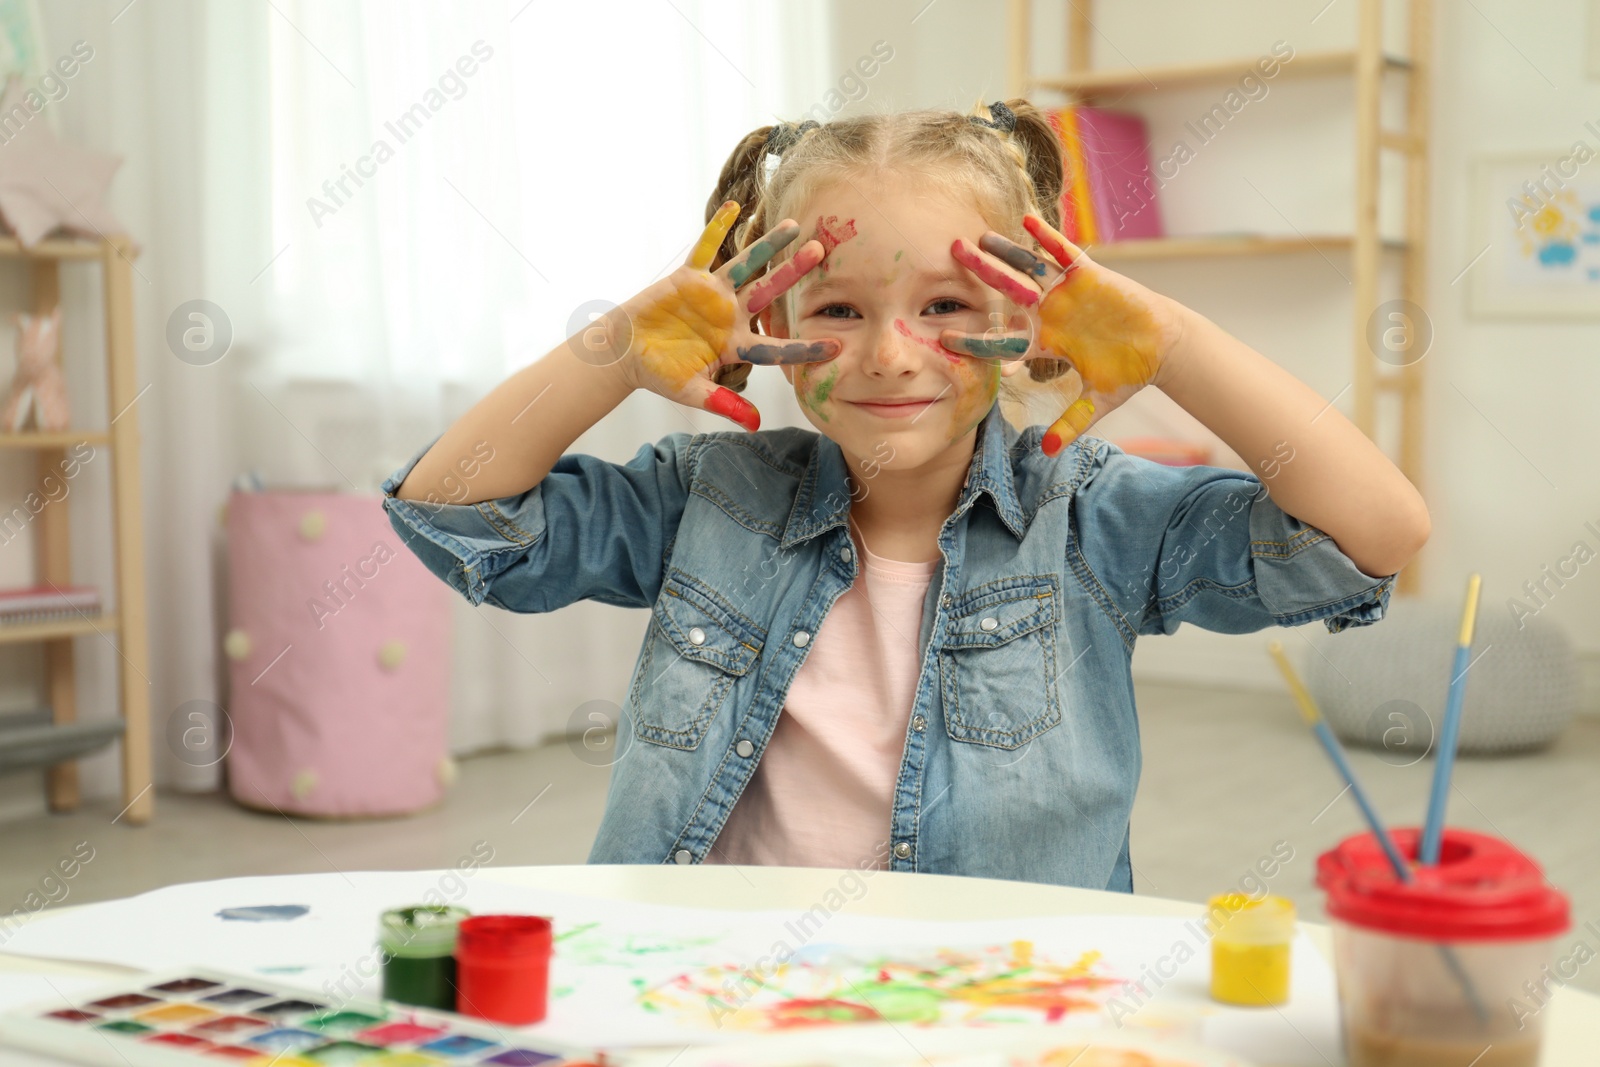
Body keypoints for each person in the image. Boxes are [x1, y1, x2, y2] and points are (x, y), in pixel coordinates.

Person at [384, 99, 1429, 891]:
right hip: (710, 985)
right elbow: (454, 512)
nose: (890, 354)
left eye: (943, 304)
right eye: (837, 307)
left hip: (991, 1007)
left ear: (1032, 311)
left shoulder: (1090, 517)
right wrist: (611, 349)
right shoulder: (706, 495)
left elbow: (1371, 533)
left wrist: (1174, 345)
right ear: (767, 314)